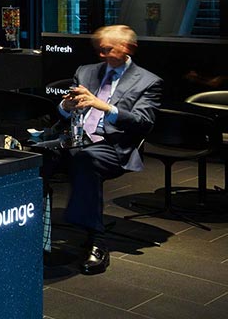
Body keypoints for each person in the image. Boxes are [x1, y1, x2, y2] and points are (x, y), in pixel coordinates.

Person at [48, 25, 162, 275]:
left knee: (85, 159)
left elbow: (144, 123)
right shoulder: (85, 72)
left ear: (127, 48)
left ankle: (97, 241)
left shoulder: (148, 81)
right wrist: (66, 106)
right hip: (76, 138)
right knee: (37, 156)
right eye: (99, 50)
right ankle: (34, 231)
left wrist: (105, 108)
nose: (100, 55)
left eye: (107, 50)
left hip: (114, 145)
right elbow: (68, 112)